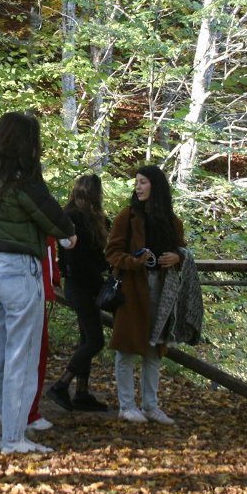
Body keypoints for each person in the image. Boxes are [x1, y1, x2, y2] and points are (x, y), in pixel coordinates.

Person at [0, 112, 76, 455]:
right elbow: (54, 219)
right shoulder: (24, 179)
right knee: (22, 357)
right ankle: (14, 437)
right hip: (18, 273)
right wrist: (70, 234)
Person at [105, 165, 189, 425]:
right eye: (137, 182)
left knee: (155, 349)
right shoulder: (127, 217)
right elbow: (111, 252)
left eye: (143, 182)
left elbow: (182, 250)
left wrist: (176, 256)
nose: (138, 187)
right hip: (132, 290)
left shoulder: (172, 221)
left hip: (162, 291)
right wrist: (134, 261)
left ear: (156, 185)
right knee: (127, 348)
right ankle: (127, 405)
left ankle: (151, 405)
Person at [48, 174, 111, 412]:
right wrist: (102, 268)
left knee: (87, 339)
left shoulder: (96, 219)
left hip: (86, 285)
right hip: (79, 285)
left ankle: (82, 392)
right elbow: (76, 258)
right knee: (95, 340)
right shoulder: (73, 218)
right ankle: (61, 385)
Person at [26, 236, 60, 431]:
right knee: (30, 352)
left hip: (37, 285)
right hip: (26, 284)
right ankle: (25, 414)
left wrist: (54, 276)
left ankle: (30, 410)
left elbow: (50, 245)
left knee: (38, 350)